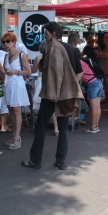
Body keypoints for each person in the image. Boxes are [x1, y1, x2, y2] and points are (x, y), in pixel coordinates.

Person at [21, 21, 84, 170]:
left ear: (54, 34)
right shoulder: (71, 49)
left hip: (53, 93)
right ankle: (61, 161)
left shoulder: (53, 48)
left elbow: (52, 71)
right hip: (64, 94)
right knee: (62, 127)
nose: (44, 36)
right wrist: (70, 87)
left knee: (41, 125)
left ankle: (35, 160)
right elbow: (79, 71)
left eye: (46, 33)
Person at [1, 32, 31, 150]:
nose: (6, 44)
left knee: (17, 110)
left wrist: (16, 72)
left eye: (8, 41)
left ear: (13, 42)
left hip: (17, 83)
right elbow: (3, 69)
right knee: (11, 110)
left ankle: (17, 137)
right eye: (4, 42)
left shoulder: (21, 55)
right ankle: (14, 136)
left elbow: (28, 71)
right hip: (9, 83)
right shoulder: (6, 56)